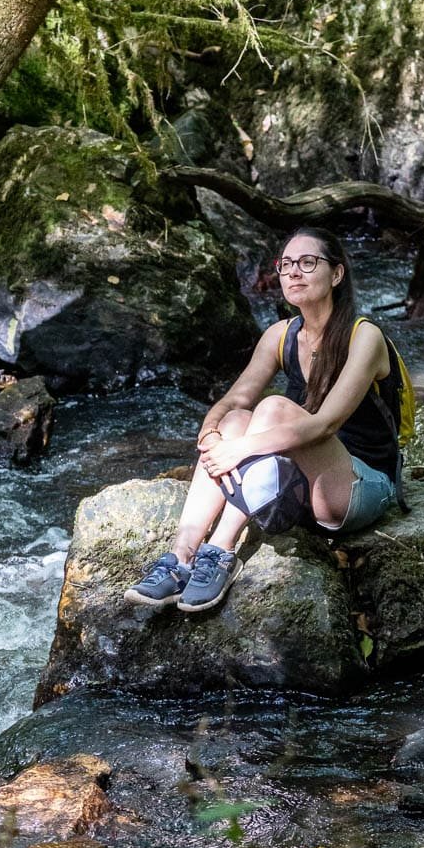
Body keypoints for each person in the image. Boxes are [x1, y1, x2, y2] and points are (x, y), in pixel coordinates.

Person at [124, 226, 400, 614]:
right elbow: (236, 398)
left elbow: (324, 425)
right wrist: (211, 434)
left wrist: (238, 449)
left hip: (357, 484)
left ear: (336, 274)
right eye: (286, 265)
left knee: (272, 409)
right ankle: (181, 557)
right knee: (235, 418)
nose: (293, 273)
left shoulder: (363, 336)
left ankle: (220, 550)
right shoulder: (280, 335)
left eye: (308, 262)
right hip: (302, 482)